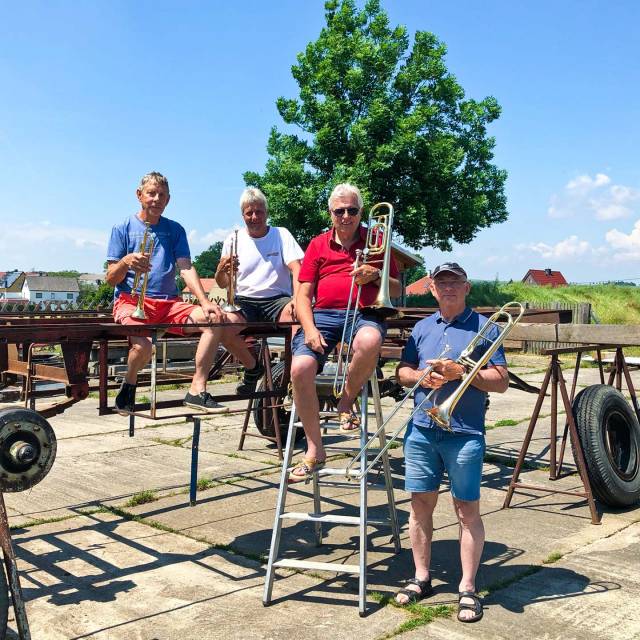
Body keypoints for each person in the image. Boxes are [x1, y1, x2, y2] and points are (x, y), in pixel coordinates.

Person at [393, 262, 509, 623]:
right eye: (441, 283)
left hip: (465, 432)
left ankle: (468, 588)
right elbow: (401, 372)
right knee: (419, 507)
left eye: (454, 282)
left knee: (466, 511)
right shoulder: (422, 327)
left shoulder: (485, 328)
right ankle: (421, 577)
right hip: (422, 429)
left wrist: (465, 373)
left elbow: (501, 380)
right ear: (432, 289)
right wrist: (419, 376)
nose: (448, 288)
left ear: (467, 287)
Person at [288, 183, 401, 482]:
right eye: (340, 211)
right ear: (331, 213)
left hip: (364, 313)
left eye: (353, 210)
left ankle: (345, 402)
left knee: (371, 340)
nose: (347, 216)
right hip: (323, 316)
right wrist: (309, 329)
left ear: (361, 212)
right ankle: (315, 450)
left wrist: (376, 275)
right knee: (300, 368)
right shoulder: (317, 244)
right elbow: (302, 295)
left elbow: (398, 289)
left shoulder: (377, 240)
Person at [106, 171, 227, 414]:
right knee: (143, 347)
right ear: (139, 195)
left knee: (215, 320)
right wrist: (126, 261)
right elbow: (110, 278)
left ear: (168, 200)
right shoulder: (122, 228)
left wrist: (204, 302)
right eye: (151, 193)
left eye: (162, 195)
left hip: (169, 304)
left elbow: (186, 267)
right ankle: (129, 383)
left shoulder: (175, 230)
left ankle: (196, 389)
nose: (156, 199)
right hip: (131, 301)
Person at [214, 187, 304, 393]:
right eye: (249, 213)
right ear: (242, 215)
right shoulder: (232, 238)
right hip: (244, 301)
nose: (254, 217)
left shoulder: (281, 234)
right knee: (222, 326)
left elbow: (297, 269)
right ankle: (253, 367)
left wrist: (297, 299)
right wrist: (220, 270)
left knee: (299, 319)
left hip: (277, 300)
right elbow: (222, 283)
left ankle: (296, 376)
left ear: (267, 212)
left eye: (259, 212)